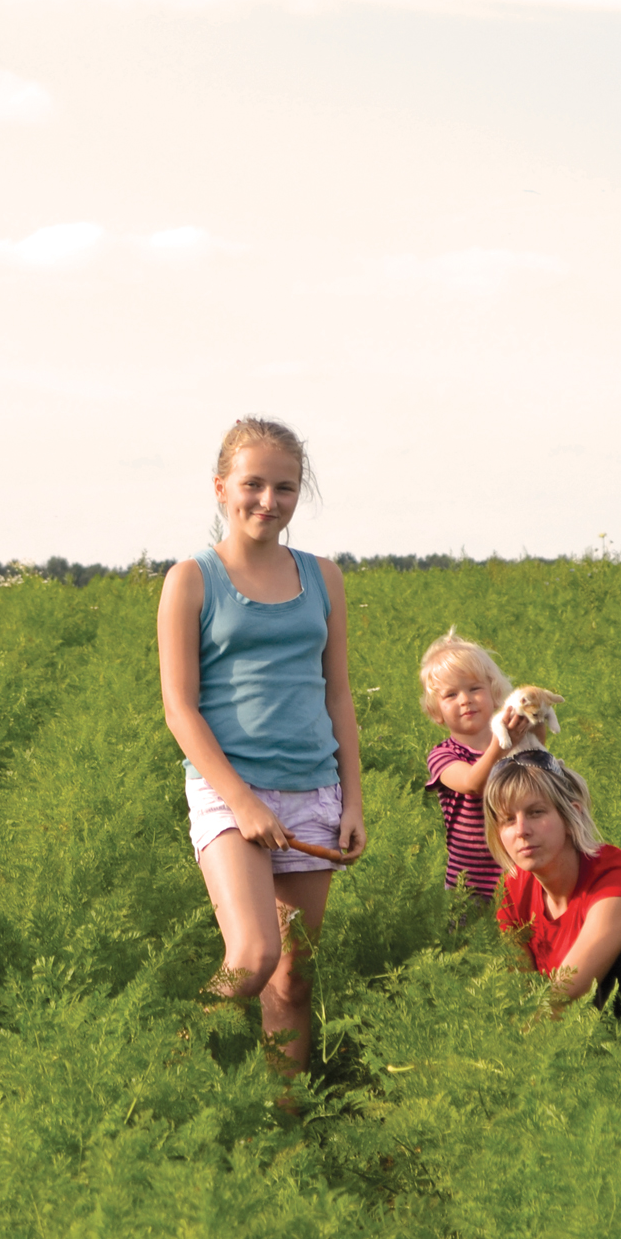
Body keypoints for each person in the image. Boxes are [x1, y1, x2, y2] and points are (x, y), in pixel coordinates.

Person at [157, 416, 366, 1075]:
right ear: (221, 487)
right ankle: (158, 1063)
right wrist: (243, 802)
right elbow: (179, 708)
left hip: (313, 791)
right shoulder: (191, 578)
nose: (268, 501)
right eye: (253, 484)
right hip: (231, 793)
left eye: (285, 487)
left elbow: (339, 697)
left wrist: (352, 802)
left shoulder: (323, 577)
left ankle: (284, 1125)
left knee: (293, 981)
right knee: (252, 958)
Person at [488, 752, 621, 1019]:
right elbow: (521, 990)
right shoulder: (514, 889)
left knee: (619, 961)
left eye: (536, 812)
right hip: (581, 1034)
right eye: (507, 820)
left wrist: (514, 1050)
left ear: (570, 816)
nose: (521, 830)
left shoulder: (617, 883)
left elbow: (564, 997)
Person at [420, 628, 522, 905]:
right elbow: (472, 784)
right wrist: (501, 746)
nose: (465, 699)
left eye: (474, 688)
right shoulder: (443, 755)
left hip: (520, 869)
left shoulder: (516, 746)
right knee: (468, 943)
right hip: (469, 881)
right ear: (435, 712)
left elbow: (542, 764)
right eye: (450, 695)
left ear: (495, 693)